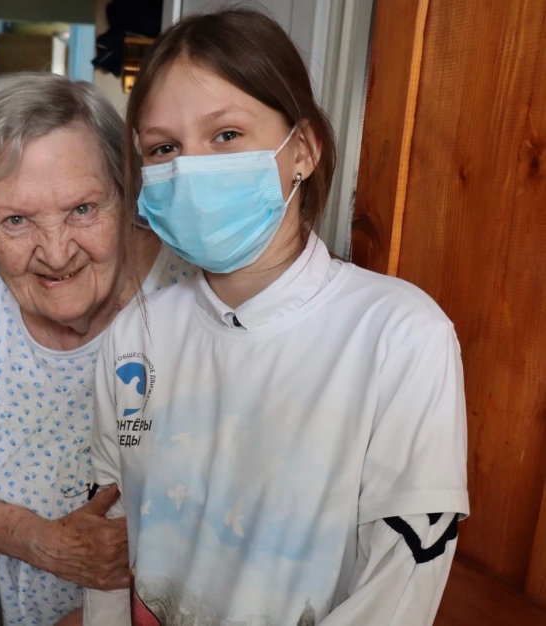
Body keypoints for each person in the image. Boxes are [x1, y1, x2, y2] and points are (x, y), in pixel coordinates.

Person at [85, 9, 469, 625]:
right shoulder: (136, 334)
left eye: (226, 135)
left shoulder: (400, 336)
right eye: (164, 148)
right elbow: (109, 529)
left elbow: (398, 589)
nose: (191, 167)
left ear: (304, 150)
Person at [0, 72, 196, 625]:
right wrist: (47, 545)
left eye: (82, 209)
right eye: (16, 220)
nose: (56, 251)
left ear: (126, 194)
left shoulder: (190, 294)